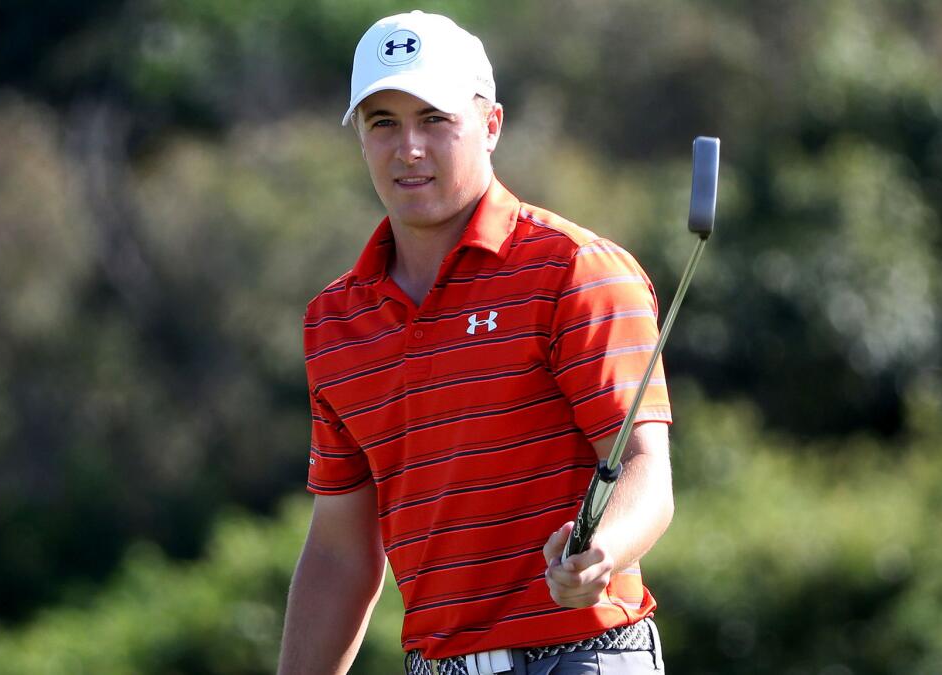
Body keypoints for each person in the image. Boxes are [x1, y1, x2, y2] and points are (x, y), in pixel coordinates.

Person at [279, 10, 673, 675]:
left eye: (435, 120)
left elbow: (646, 471)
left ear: (490, 124)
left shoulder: (577, 270)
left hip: (584, 658)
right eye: (383, 124)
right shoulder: (334, 321)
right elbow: (341, 554)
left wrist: (603, 548)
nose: (409, 148)